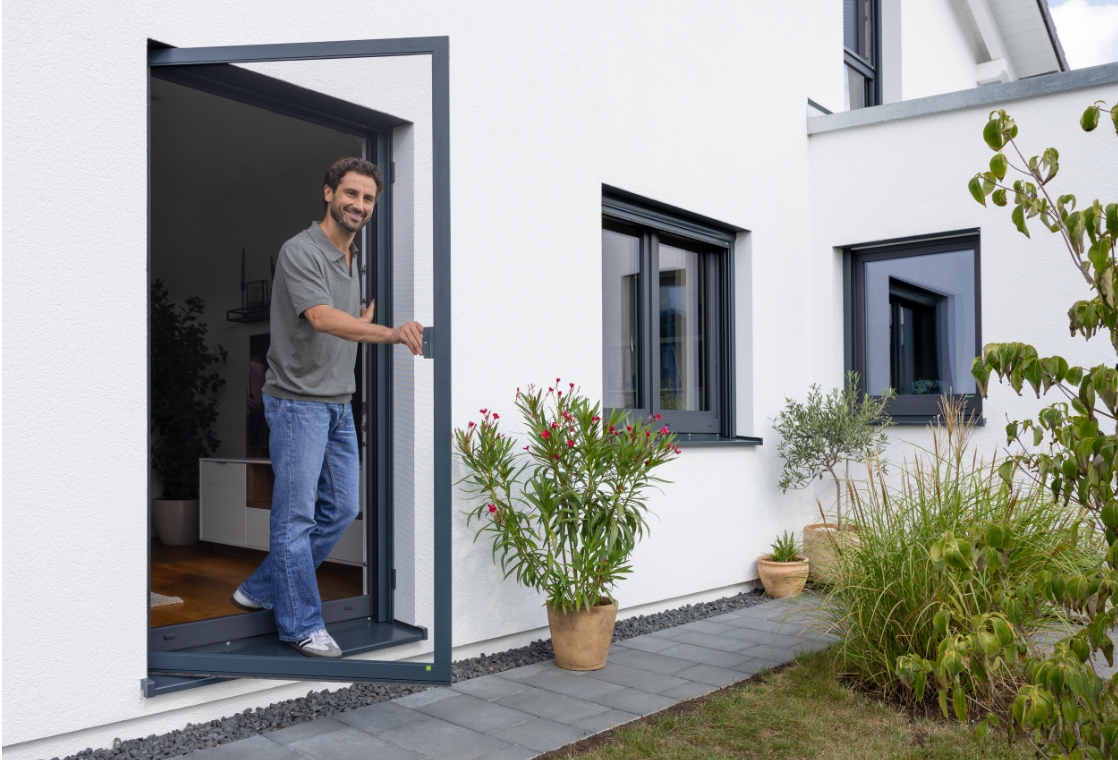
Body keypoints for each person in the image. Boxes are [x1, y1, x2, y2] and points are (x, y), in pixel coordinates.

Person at [231, 157, 423, 658]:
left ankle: (262, 588)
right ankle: (300, 624)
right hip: (297, 404)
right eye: (351, 194)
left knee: (342, 508)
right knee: (294, 518)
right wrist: (387, 332)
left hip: (338, 404)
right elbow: (319, 318)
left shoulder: (352, 257)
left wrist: (354, 320)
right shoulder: (301, 251)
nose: (359, 205)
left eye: (368, 199)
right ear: (328, 193)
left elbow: (337, 318)